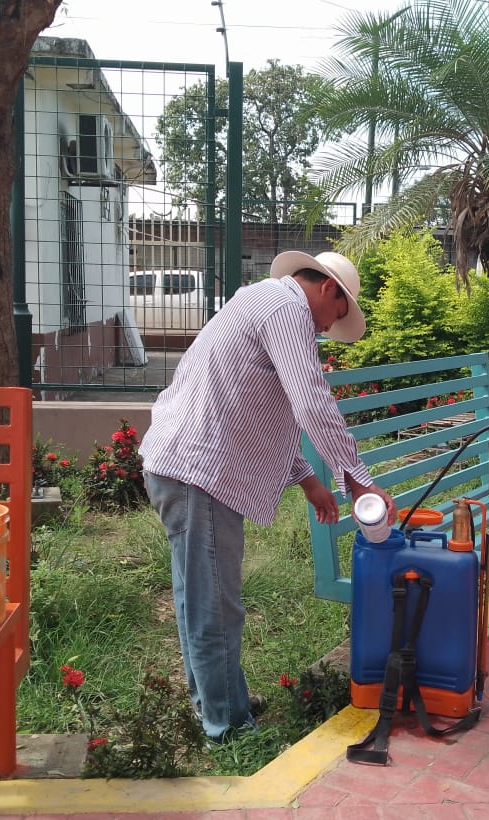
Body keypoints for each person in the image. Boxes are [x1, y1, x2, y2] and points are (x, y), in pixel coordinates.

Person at [139, 250, 398, 744]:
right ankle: (227, 727)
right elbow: (310, 399)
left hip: (184, 466)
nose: (328, 329)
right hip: (200, 473)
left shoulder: (261, 301)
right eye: (336, 315)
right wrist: (357, 479)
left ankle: (219, 702)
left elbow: (263, 408)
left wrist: (310, 480)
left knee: (200, 601)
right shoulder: (286, 309)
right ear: (328, 289)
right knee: (214, 607)